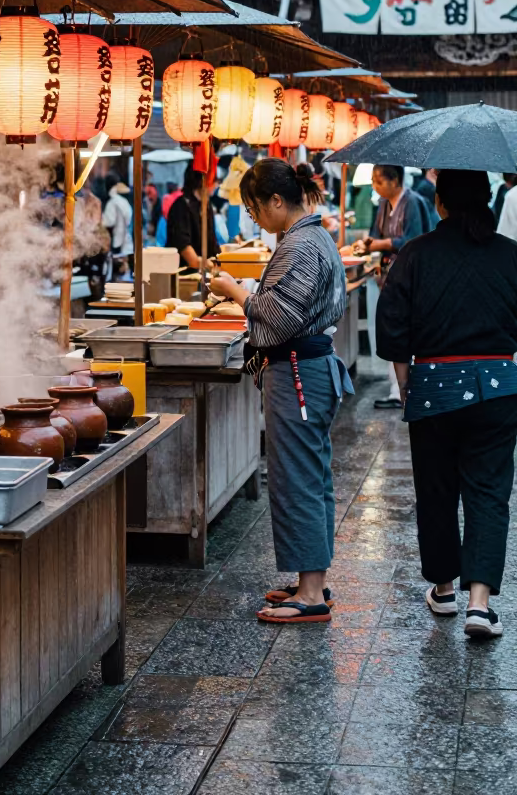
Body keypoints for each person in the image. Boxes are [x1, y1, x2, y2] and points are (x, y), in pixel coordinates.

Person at [376, 169, 517, 639]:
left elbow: (394, 327)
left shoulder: (414, 254)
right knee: (490, 493)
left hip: (433, 388)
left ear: (439, 204)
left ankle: (444, 588)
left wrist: (404, 386)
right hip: (497, 388)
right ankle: (480, 605)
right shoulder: (508, 255)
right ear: (486, 201)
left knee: (436, 491)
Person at [210, 159, 352, 623]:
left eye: (254, 208)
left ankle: (311, 595)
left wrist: (237, 293)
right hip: (305, 370)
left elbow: (282, 316)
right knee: (311, 476)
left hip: (298, 373)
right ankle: (313, 581)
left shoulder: (302, 244)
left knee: (298, 479)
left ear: (276, 201)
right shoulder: (308, 238)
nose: (253, 217)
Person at [352, 165, 430, 409]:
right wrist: (371, 250)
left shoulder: (413, 202)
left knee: (406, 330)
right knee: (393, 331)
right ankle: (396, 388)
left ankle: (406, 388)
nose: (375, 186)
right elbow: (376, 235)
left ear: (395, 180)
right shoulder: (384, 204)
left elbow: (413, 240)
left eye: (378, 181)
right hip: (388, 277)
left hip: (410, 278)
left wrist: (381, 244)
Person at [166, 165, 219, 272]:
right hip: (183, 273)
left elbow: (212, 240)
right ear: (202, 181)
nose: (216, 184)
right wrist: (205, 264)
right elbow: (184, 246)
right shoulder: (181, 206)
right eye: (213, 179)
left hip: (202, 271)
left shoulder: (207, 205)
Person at [103, 175, 134, 276]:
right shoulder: (124, 201)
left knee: (118, 276)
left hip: (118, 243)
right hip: (127, 241)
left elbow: (108, 222)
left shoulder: (112, 203)